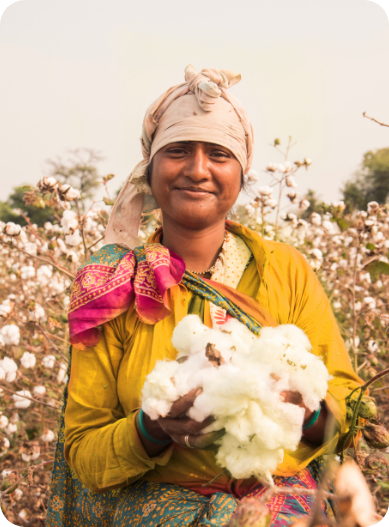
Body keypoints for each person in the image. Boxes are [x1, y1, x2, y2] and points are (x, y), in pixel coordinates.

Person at [46, 65, 362, 527]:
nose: (197, 170)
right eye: (177, 152)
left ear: (241, 172)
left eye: (218, 154)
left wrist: (302, 407)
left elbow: (344, 414)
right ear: (150, 168)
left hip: (278, 504)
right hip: (150, 504)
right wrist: (152, 430)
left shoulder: (285, 271)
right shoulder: (111, 286)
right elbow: (84, 452)